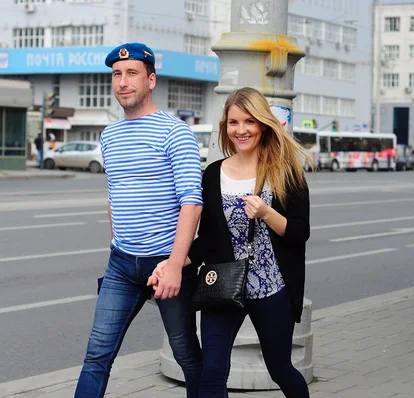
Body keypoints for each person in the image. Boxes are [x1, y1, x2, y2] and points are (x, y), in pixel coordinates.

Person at [149, 87, 311, 397]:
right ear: (225, 126)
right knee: (212, 371)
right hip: (222, 285)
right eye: (233, 122)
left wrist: (266, 213)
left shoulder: (286, 173)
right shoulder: (212, 174)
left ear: (263, 124)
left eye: (249, 122)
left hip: (271, 288)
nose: (241, 130)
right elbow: (207, 238)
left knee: (280, 369)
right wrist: (173, 262)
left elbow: (299, 232)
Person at [74, 42, 203, 398]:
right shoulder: (110, 136)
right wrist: (118, 239)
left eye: (132, 73)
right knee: (97, 354)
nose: (122, 82)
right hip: (121, 265)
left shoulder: (175, 133)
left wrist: (176, 264)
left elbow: (192, 202)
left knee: (186, 355)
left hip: (166, 263)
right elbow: (114, 193)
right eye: (117, 74)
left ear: (151, 80)